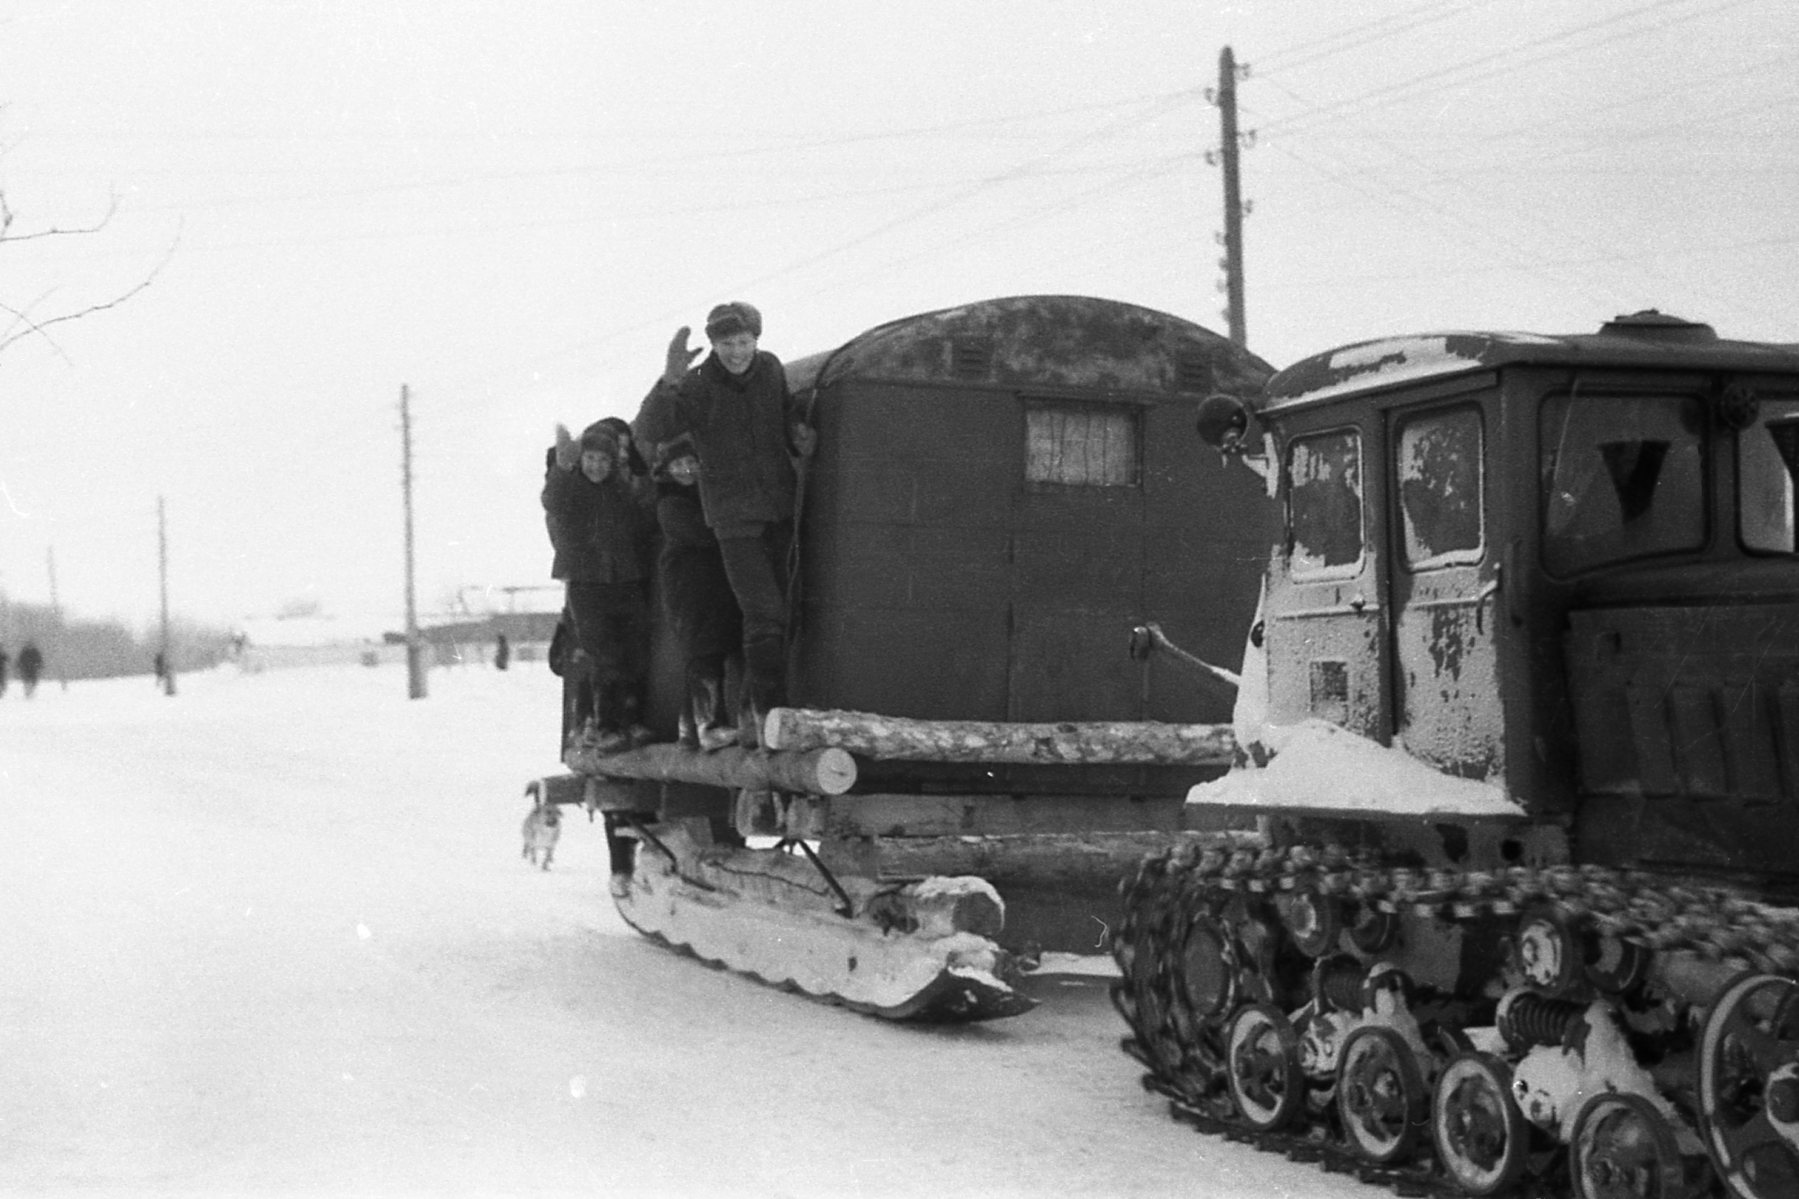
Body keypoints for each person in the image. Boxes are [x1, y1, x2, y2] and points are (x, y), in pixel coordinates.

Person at [634, 302, 814, 746]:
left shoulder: (770, 369)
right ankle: (766, 714)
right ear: (713, 346)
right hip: (734, 518)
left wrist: (797, 430)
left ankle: (757, 718)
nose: (737, 352)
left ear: (757, 340)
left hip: (779, 506)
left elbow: (785, 409)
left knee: (783, 614)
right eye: (727, 344)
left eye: (743, 342)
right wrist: (670, 378)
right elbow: (652, 427)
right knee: (763, 613)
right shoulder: (696, 387)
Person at [541, 419, 656, 753]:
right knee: (604, 656)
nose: (596, 466)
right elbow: (552, 498)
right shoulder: (570, 490)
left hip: (625, 581)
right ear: (581, 460)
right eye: (590, 458)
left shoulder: (621, 491)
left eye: (603, 460)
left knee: (633, 652)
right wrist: (562, 468)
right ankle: (605, 726)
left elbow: (642, 515)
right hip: (587, 585)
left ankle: (631, 721)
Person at [649, 431, 742, 751]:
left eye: (692, 462)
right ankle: (709, 724)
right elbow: (703, 534)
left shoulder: (702, 496)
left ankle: (689, 728)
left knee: (707, 651)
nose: (686, 469)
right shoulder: (670, 503)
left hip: (710, 586)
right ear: (668, 469)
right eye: (679, 464)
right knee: (704, 653)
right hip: (689, 588)